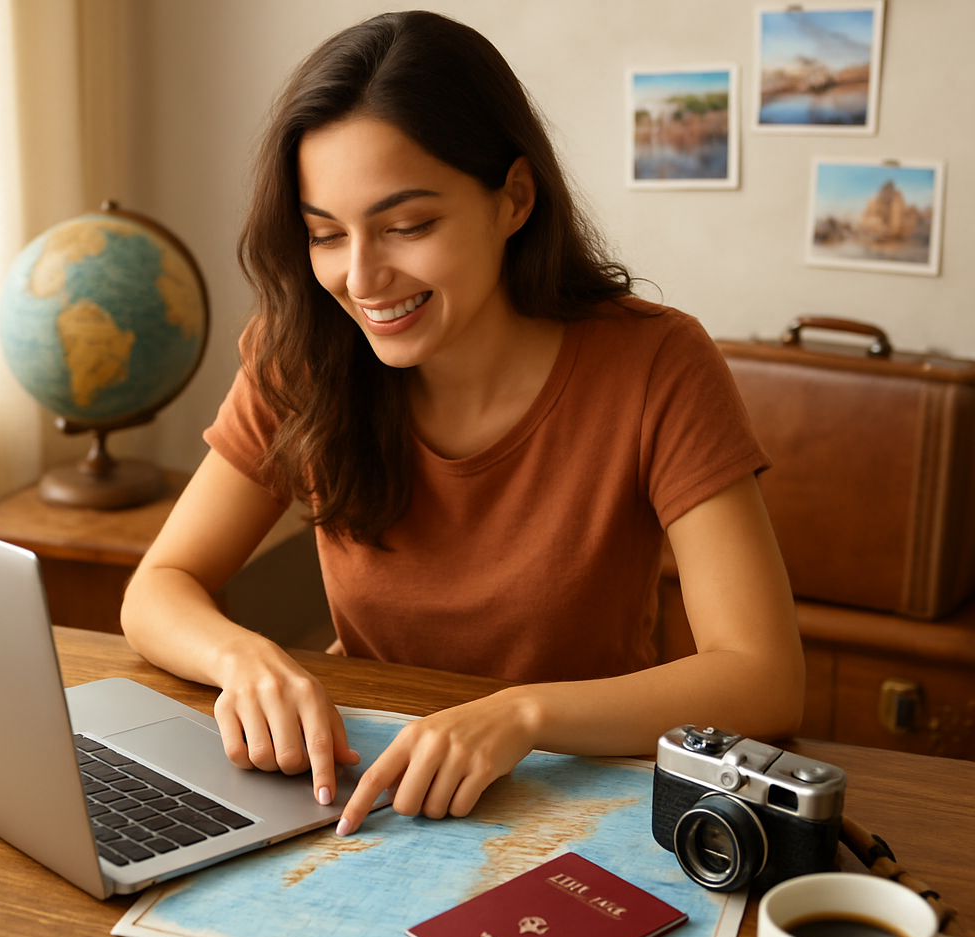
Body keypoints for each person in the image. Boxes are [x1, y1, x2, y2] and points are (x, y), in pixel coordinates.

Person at [120, 10, 804, 839]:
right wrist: (244, 658)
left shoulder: (657, 363)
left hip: (577, 788)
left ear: (513, 198)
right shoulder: (301, 351)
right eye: (325, 235)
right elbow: (158, 589)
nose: (362, 278)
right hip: (364, 788)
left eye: (408, 226)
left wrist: (520, 717)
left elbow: (763, 679)